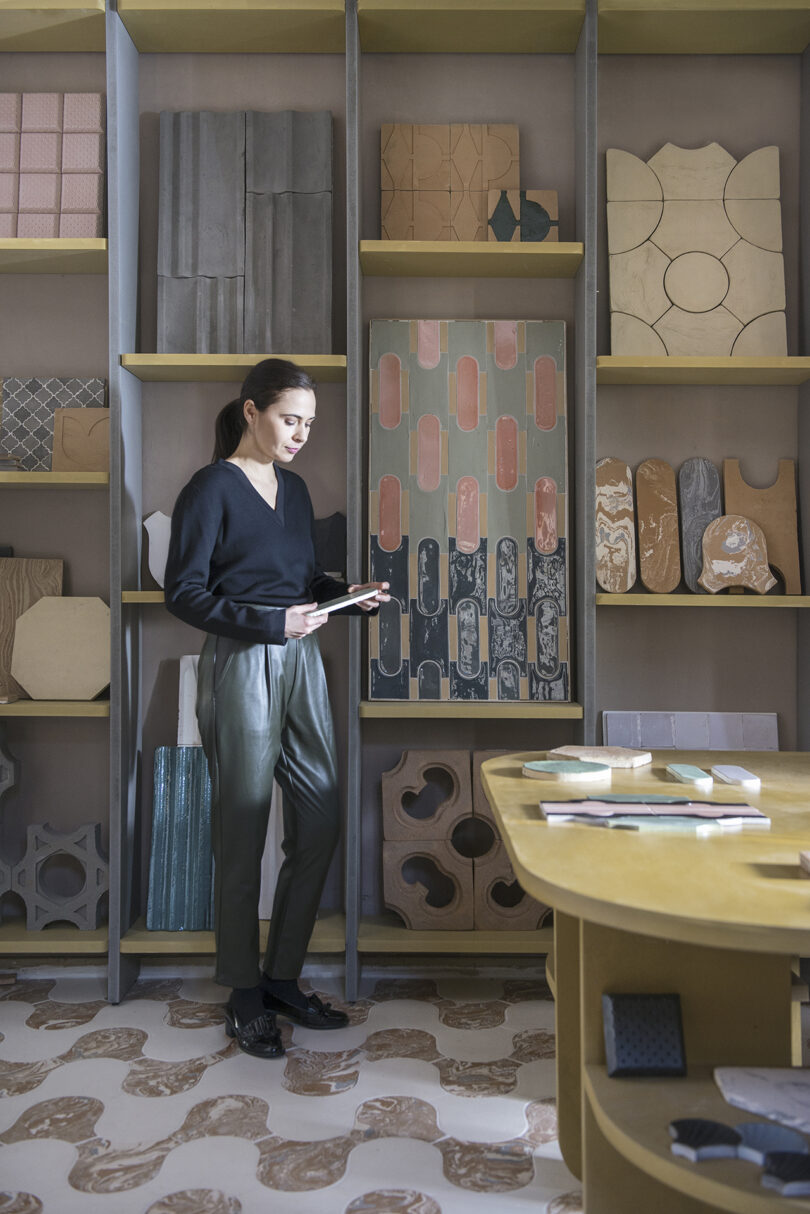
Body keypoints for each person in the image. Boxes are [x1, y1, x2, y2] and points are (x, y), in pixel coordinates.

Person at [164, 358, 389, 1058]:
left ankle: (283, 976)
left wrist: (342, 590)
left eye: (309, 424)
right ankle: (242, 992)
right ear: (252, 410)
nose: (300, 434)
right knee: (242, 828)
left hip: (303, 663)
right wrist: (271, 625)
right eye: (290, 419)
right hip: (244, 662)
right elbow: (184, 592)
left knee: (321, 817)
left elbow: (299, 579)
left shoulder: (291, 491)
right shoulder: (210, 489)